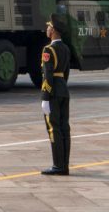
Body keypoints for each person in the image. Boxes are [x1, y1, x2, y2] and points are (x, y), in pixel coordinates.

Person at [40, 14, 71, 175]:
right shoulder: (66, 48)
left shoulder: (48, 49)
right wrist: (62, 86)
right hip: (64, 90)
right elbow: (65, 73)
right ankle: (64, 165)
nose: (46, 29)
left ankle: (58, 166)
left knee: (54, 129)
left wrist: (45, 97)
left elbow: (48, 75)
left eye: (48, 27)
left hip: (53, 93)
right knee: (65, 128)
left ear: (53, 30)